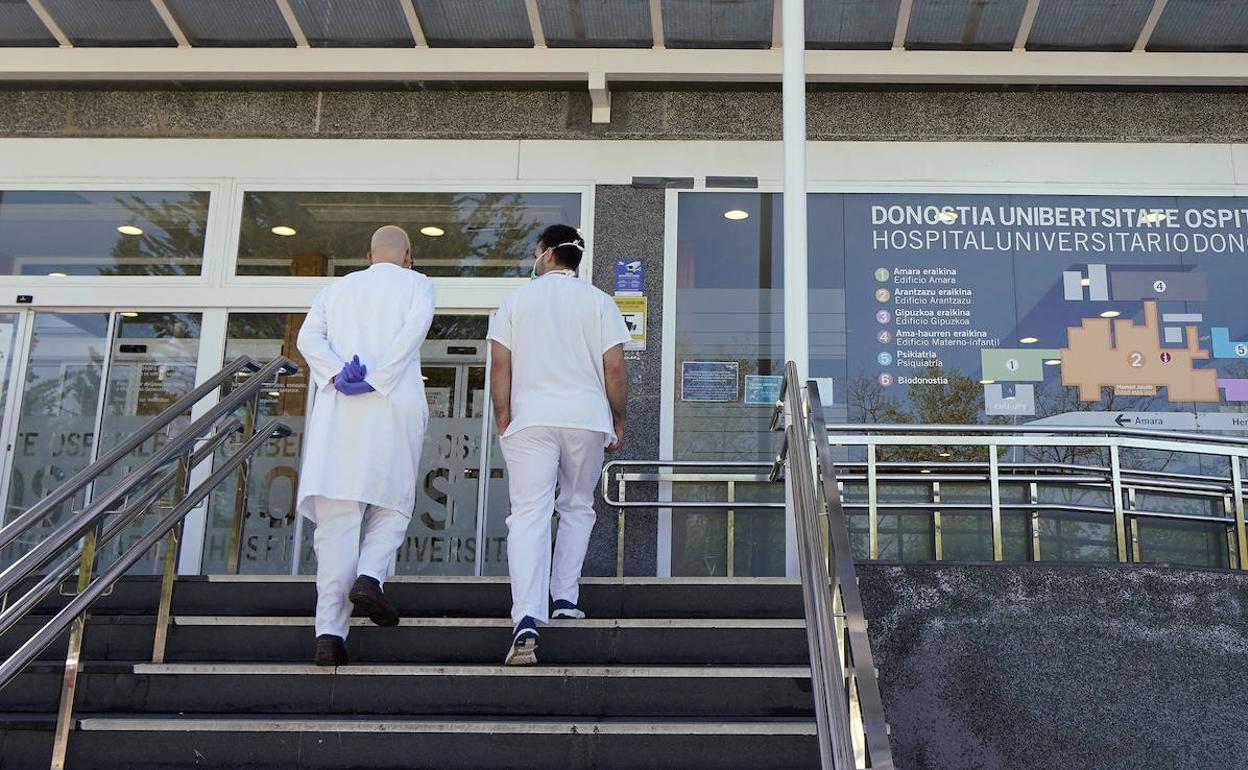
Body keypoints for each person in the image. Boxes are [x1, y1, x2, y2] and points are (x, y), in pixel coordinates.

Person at [487, 224, 631, 666]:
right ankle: (565, 598)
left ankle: (528, 614)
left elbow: (500, 365)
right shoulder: (600, 302)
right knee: (577, 506)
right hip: (585, 418)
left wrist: (503, 416)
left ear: (547, 253)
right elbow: (615, 368)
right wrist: (618, 418)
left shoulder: (515, 302)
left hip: (530, 417)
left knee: (529, 514)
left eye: (537, 251)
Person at [295, 225, 435, 666]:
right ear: (408, 255)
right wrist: (377, 380)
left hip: (340, 413)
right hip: (393, 406)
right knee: (393, 503)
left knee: (336, 525)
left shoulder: (334, 291)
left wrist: (338, 373)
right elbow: (411, 336)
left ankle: (329, 634)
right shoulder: (418, 285)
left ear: (368, 256)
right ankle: (370, 577)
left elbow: (306, 339)